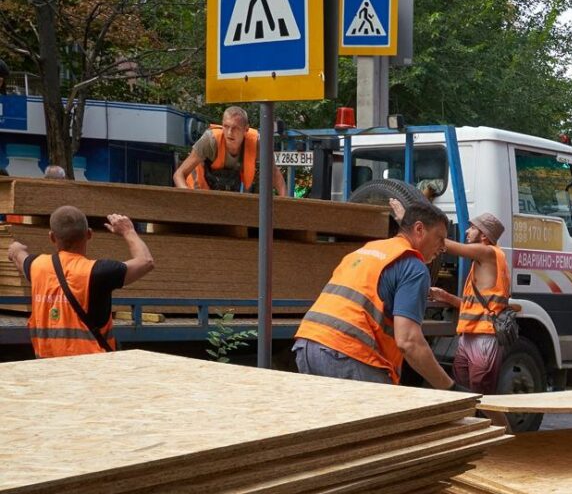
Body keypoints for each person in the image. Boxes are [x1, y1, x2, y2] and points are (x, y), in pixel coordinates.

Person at [292, 197, 459, 390]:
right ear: (419, 229)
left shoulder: (369, 250)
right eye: (440, 238)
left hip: (308, 343)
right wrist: (450, 387)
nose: (443, 247)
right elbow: (409, 342)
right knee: (385, 418)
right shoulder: (414, 266)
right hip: (347, 353)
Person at [6, 205, 154, 358]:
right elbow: (146, 261)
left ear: (51, 237)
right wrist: (128, 231)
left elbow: (19, 257)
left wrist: (16, 248)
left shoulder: (36, 267)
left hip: (49, 369)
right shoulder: (99, 272)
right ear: (89, 234)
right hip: (91, 370)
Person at [426, 212, 512, 394]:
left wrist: (416, 227)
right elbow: (477, 306)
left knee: (481, 395)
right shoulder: (481, 262)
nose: (466, 231)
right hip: (470, 336)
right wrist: (446, 297)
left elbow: (447, 246)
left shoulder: (488, 252)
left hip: (483, 338)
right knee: (464, 393)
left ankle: (490, 422)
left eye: (473, 228)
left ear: (484, 236)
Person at [172, 106, 286, 195]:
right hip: (198, 190)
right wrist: (187, 195)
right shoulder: (210, 140)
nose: (230, 133)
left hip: (226, 190)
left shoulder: (257, 143)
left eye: (235, 128)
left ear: (246, 129)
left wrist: (285, 203)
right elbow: (179, 174)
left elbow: (274, 173)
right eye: (226, 126)